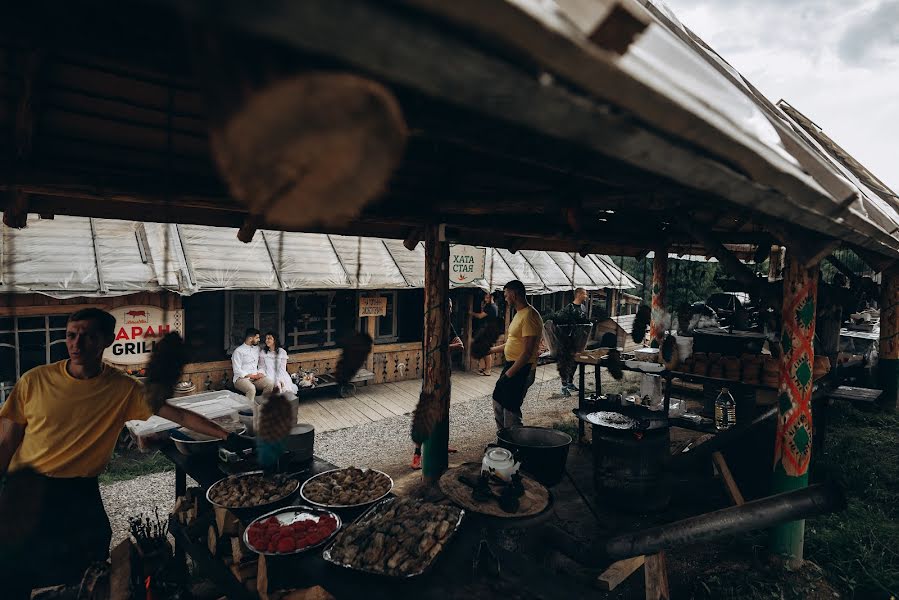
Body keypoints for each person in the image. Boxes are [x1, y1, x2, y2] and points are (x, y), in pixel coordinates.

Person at [0, 308, 240, 598]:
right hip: (26, 490)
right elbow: (7, 442)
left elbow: (177, 414)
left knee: (88, 574)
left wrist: (226, 435)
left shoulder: (122, 388)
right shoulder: (34, 381)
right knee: (15, 572)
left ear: (106, 340)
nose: (77, 344)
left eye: (88, 336)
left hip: (80, 491)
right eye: (71, 335)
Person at [411, 298, 463, 470]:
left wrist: (442, 347)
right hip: (431, 374)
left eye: (450, 307)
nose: (448, 310)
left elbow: (460, 345)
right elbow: (430, 349)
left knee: (443, 408)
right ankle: (417, 454)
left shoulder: (449, 325)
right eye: (445, 307)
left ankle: (441, 442)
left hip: (445, 372)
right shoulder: (429, 324)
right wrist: (446, 347)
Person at [492, 280, 543, 431]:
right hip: (512, 366)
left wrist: (508, 375)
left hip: (522, 369)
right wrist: (490, 350)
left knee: (510, 409)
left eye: (506, 295)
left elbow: (527, 353)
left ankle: (514, 443)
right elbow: (511, 343)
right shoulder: (520, 314)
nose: (505, 298)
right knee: (498, 401)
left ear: (514, 294)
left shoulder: (529, 316)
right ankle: (504, 438)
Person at [232, 327, 274, 402]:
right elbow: (237, 370)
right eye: (257, 338)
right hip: (241, 379)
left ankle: (263, 405)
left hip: (255, 378)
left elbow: (262, 362)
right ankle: (249, 410)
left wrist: (260, 373)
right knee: (251, 389)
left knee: (270, 383)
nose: (259, 340)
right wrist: (252, 376)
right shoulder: (238, 351)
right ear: (250, 338)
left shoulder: (257, 349)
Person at [470, 290, 500, 376]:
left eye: (487, 297)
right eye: (485, 297)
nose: (485, 298)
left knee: (486, 350)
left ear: (492, 297)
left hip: (488, 330)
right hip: (490, 329)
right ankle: (486, 368)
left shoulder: (490, 307)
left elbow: (480, 316)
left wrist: (471, 313)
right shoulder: (493, 306)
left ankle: (488, 370)